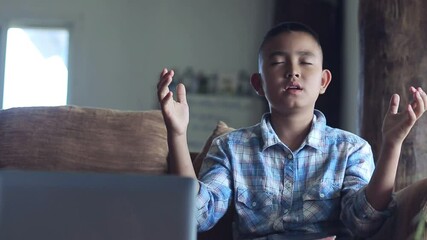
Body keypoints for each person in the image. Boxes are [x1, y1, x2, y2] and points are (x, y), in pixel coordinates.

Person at [156, 22, 427, 240]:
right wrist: (177, 134)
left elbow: (365, 224)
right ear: (258, 83)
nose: (293, 72)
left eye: (305, 62)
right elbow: (196, 217)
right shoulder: (230, 148)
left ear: (323, 81)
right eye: (277, 63)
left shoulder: (351, 149)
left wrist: (392, 144)